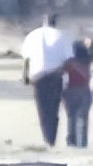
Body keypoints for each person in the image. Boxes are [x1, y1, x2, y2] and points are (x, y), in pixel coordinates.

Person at [21, 12, 74, 146]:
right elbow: (69, 60)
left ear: (43, 21)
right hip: (55, 76)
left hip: (37, 77)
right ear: (55, 22)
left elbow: (26, 59)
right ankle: (51, 138)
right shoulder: (62, 36)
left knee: (42, 109)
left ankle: (47, 138)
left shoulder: (32, 35)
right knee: (53, 108)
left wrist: (25, 76)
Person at [63, 39, 93, 148]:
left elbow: (61, 71)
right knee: (83, 118)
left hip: (70, 90)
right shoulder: (87, 61)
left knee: (71, 117)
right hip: (85, 90)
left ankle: (72, 141)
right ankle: (83, 142)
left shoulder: (69, 62)